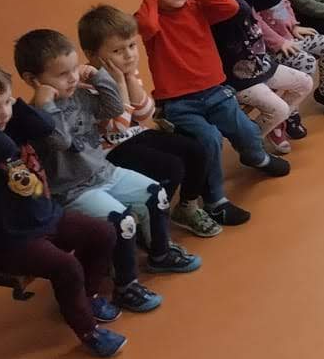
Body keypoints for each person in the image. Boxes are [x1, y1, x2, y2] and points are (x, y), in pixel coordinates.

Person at [0, 56, 127, 357]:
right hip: (12, 239)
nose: (4, 113)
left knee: (102, 233)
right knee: (66, 266)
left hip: (46, 217)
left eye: (6, 101)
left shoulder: (8, 123)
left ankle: (87, 296)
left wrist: (14, 107)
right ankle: (88, 330)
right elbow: (5, 151)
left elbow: (45, 127)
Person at [12, 29, 199, 312]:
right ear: (32, 80)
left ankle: (160, 255)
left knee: (157, 194)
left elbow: (113, 107)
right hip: (73, 190)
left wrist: (97, 76)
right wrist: (47, 104)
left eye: (74, 69)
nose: (72, 78)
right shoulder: (36, 117)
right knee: (123, 222)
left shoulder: (79, 95)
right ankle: (125, 287)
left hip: (105, 172)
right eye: (62, 74)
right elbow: (60, 141)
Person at [135, 0, 288, 225]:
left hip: (216, 91)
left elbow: (232, 7)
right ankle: (216, 200)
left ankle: (256, 157)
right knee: (209, 140)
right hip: (179, 102)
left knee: (246, 129)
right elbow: (146, 26)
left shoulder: (197, 7)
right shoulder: (151, 16)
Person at [78, 4, 222, 239]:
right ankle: (152, 221)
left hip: (134, 134)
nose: (129, 55)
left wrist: (129, 78)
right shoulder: (87, 84)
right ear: (92, 55)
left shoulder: (127, 72)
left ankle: (186, 207)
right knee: (171, 167)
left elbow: (145, 113)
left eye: (132, 46)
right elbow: (118, 127)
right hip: (109, 149)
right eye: (118, 50)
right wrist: (119, 83)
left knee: (196, 150)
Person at [199, 0, 317, 155]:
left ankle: (272, 124)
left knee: (305, 83)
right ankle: (251, 142)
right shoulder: (217, 8)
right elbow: (240, 10)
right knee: (280, 109)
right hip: (240, 79)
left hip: (261, 66)